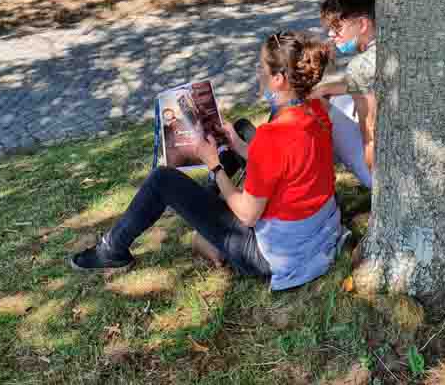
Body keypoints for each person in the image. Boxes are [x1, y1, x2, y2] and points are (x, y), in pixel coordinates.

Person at [70, 31, 345, 292]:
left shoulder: (273, 137)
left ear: (279, 79)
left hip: (271, 255)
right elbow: (290, 162)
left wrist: (214, 164)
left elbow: (248, 214)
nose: (259, 74)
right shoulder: (316, 109)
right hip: (315, 226)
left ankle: (112, 250)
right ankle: (206, 213)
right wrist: (236, 144)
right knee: (240, 129)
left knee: (161, 180)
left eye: (262, 68)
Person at [309, 0, 377, 187]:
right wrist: (326, 88)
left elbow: (370, 132)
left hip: (383, 170)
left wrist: (380, 189)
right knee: (330, 96)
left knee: (319, 106)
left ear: (363, 24)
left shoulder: (360, 66)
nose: (331, 34)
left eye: (337, 28)